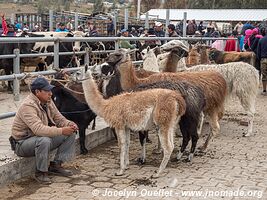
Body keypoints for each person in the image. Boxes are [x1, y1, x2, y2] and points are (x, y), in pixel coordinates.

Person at [11, 77, 78, 184]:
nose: (50, 93)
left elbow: (58, 118)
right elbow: (38, 129)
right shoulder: (28, 106)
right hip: (22, 143)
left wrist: (69, 124)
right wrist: (61, 131)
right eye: (47, 91)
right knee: (44, 140)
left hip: (39, 138)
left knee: (71, 133)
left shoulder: (47, 101)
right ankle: (40, 173)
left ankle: (56, 165)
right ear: (37, 92)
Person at [257, 28, 267, 95]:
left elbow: (258, 51)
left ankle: (264, 90)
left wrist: (260, 58)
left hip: (264, 59)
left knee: (264, 75)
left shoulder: (261, 40)